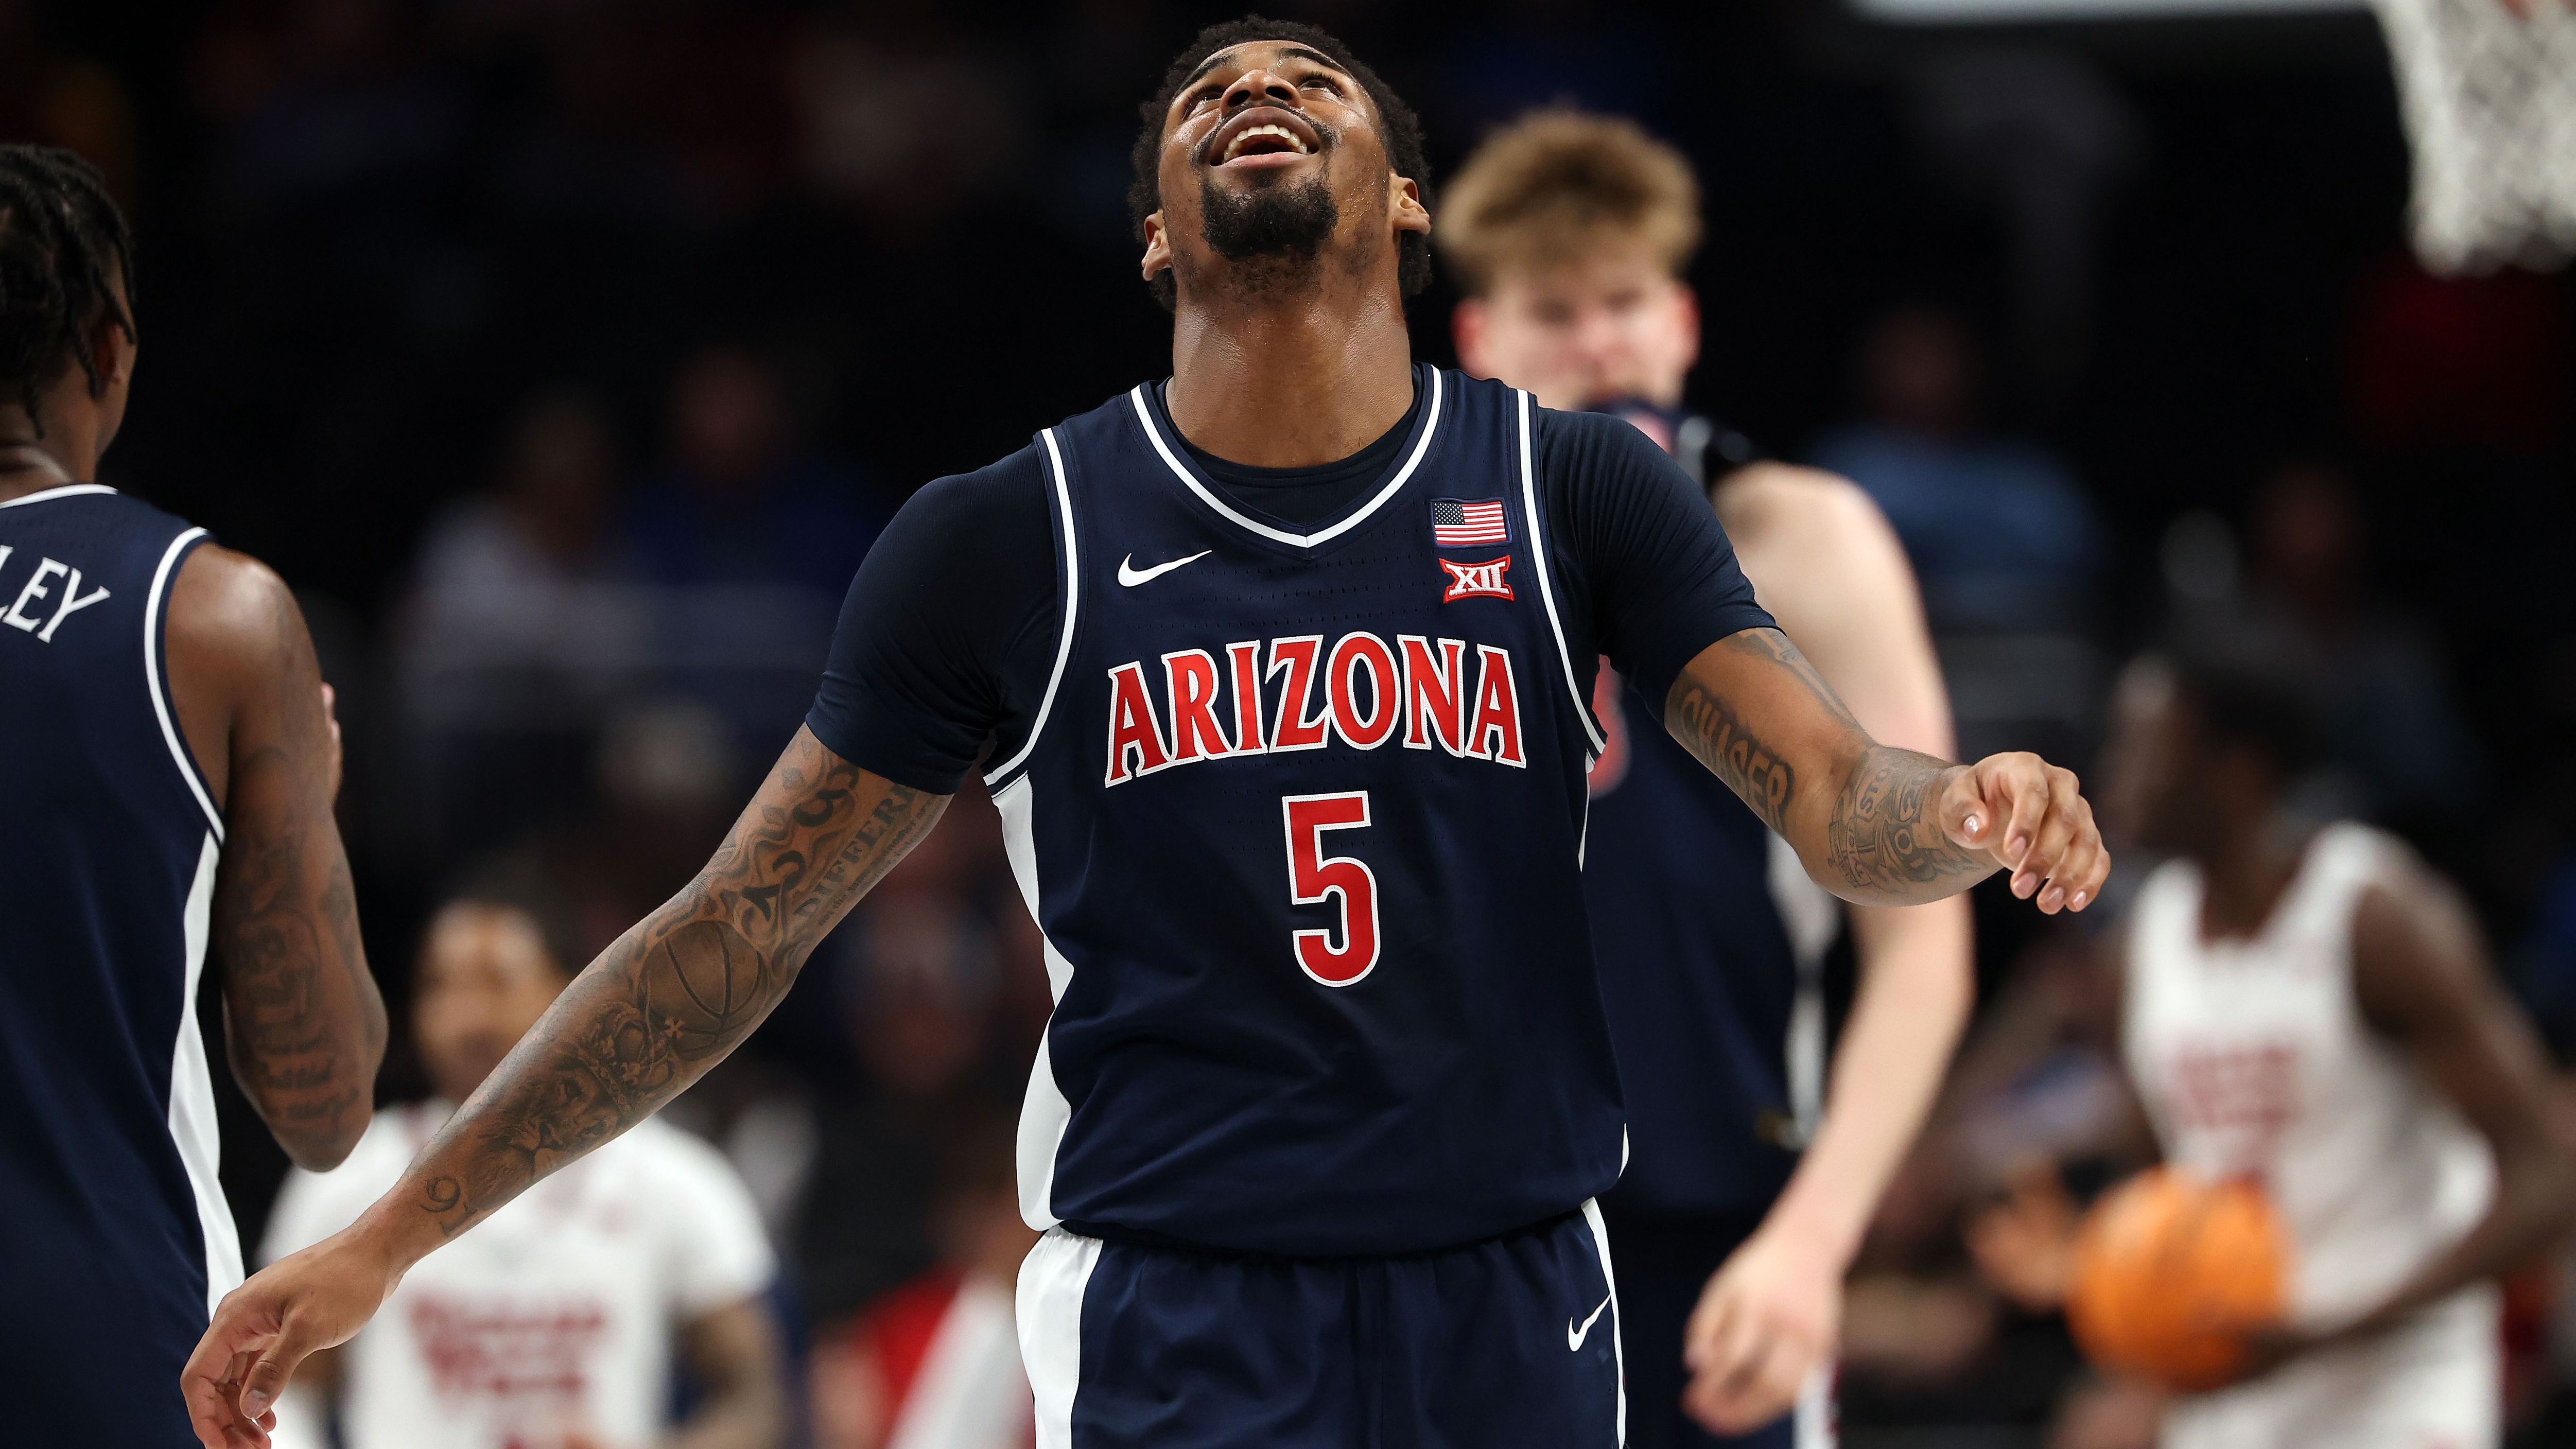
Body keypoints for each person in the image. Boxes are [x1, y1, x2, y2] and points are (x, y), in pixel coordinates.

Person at [187, 21, 2109, 1448]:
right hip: (1185, 1304)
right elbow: (731, 931)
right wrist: (392, 1229)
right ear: (1149, 236)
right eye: (1204, 97)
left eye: (1311, 81)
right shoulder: (1004, 537)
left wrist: (1963, 803)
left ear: (1406, 203)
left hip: (1515, 1280)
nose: (1254, 90)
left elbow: (1828, 795)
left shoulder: (1572, 492)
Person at [1444, 109, 1974, 1449]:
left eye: (1624, 303)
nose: (1600, 343)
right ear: (1479, 342)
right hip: (1462, 1216)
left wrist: (1813, 1240)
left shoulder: (1801, 537)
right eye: (1554, 312)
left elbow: (1924, 943)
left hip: (1722, 1199)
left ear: (1681, 323)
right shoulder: (1410, 550)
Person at [0, 143, 387, 1446]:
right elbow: (324, 1108)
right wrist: (306, 806)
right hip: (106, 1344)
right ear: (108, 348)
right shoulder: (212, 619)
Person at [2093, 641, 2576, 1449]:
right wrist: (2093, 1265)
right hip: (2233, 1393)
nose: (2117, 774)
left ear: (2238, 769)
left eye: (2149, 747)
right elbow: (2164, 1187)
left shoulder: (2372, 918)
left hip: (2399, 1392)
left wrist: (2339, 1325)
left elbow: (2548, 1178)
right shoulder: (2147, 940)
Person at [259, 888, 785, 1449]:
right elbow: (281, 1387)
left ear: (573, 992)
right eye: (442, 987)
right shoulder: (350, 1175)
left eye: (498, 982)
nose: (469, 1017)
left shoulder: (674, 1178)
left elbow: (754, 1401)